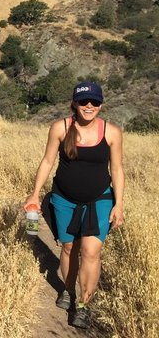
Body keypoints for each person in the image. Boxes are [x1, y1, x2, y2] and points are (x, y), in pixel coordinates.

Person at [24, 81, 125, 330]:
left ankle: (84, 304)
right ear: (74, 103)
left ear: (101, 105)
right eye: (83, 101)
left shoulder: (111, 132)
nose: (88, 106)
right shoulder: (60, 127)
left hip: (99, 199)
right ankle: (68, 291)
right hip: (64, 198)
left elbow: (117, 169)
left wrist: (119, 204)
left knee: (91, 251)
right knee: (69, 248)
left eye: (94, 102)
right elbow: (48, 161)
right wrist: (35, 194)